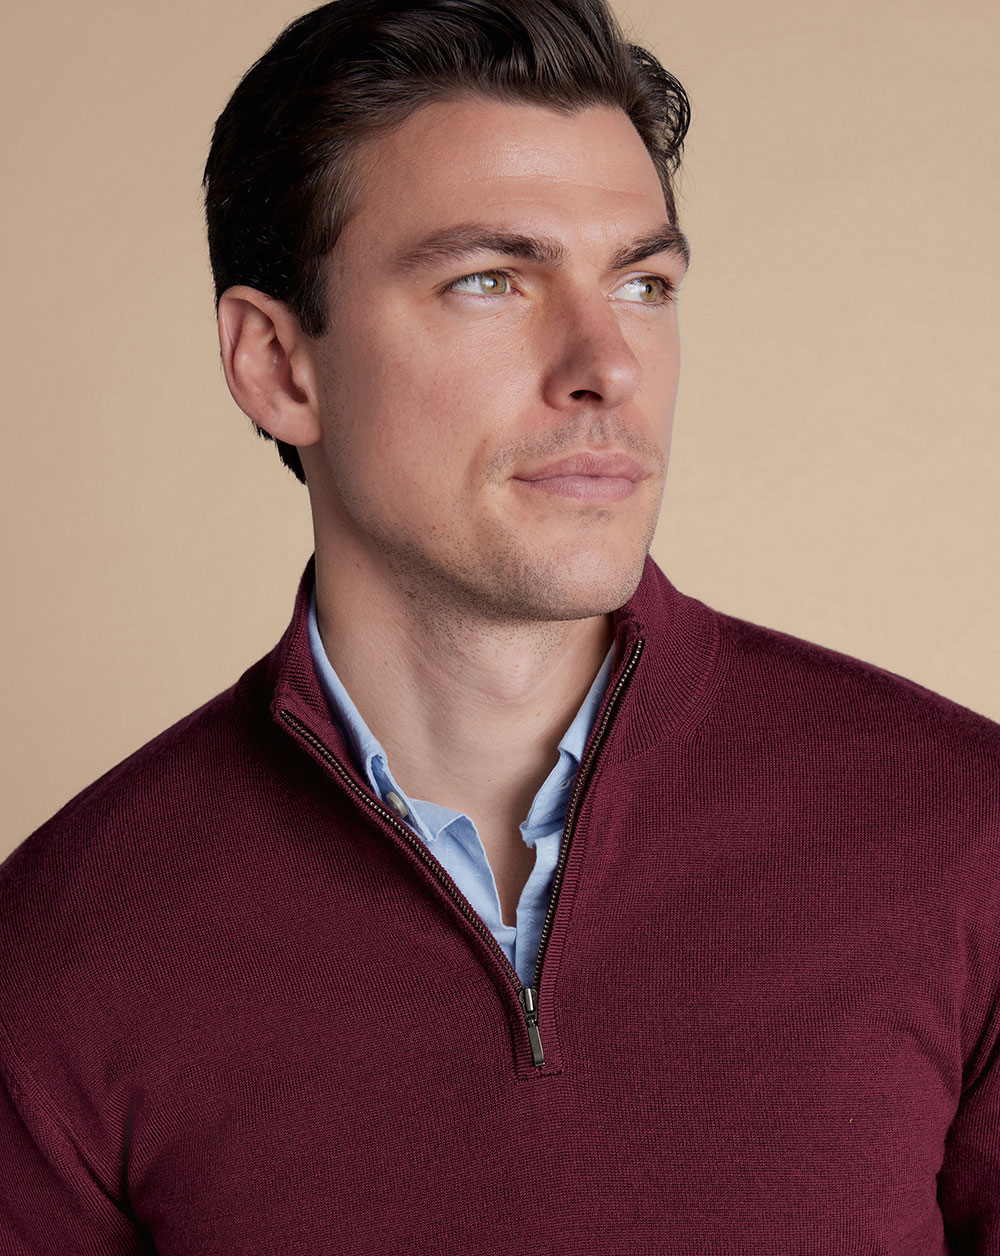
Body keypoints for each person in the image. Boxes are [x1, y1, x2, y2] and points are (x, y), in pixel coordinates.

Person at [1, 0, 998, 1251]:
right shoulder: (61, 951)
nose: (607, 364)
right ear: (278, 365)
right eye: (490, 280)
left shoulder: (966, 838)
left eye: (641, 282)